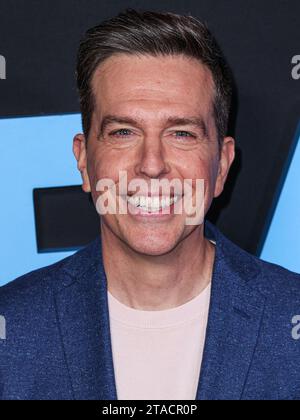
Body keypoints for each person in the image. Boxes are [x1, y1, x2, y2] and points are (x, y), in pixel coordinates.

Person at [0, 9, 299, 401]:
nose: (152, 165)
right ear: (84, 161)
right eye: (123, 132)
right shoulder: (13, 330)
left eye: (181, 133)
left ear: (222, 166)